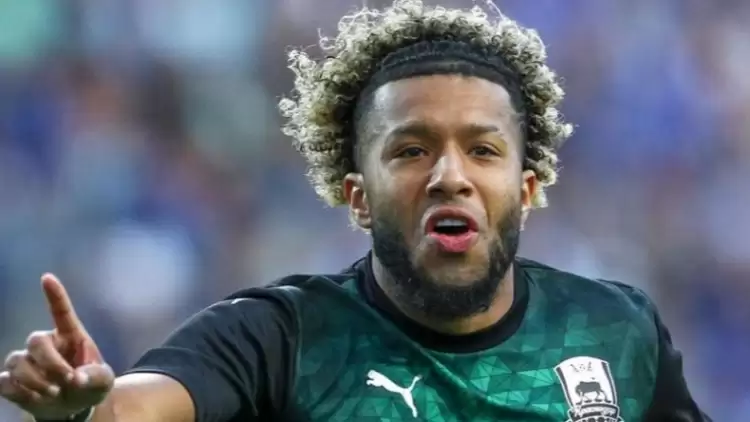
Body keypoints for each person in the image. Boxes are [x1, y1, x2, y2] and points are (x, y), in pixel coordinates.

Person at [0, 1, 712, 421]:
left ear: (527, 187)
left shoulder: (615, 329)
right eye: (411, 150)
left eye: (483, 150)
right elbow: (137, 407)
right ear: (358, 196)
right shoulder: (281, 337)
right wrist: (78, 412)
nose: (450, 176)